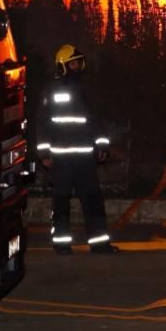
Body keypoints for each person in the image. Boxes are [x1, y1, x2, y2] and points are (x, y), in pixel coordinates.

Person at [37, 44, 117, 255]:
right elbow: (42, 123)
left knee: (93, 202)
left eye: (79, 63)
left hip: (84, 158)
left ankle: (99, 244)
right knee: (61, 203)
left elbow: (96, 120)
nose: (78, 66)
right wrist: (44, 154)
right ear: (63, 65)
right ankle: (61, 244)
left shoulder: (86, 89)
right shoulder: (51, 89)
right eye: (73, 63)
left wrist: (102, 145)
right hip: (61, 159)